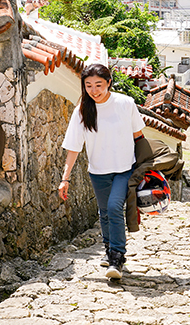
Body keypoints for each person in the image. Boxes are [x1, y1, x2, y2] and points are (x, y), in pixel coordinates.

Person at [59, 63, 145, 279]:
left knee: (115, 207)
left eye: (98, 84)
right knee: (105, 212)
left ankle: (117, 257)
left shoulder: (125, 103)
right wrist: (65, 178)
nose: (94, 90)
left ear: (109, 82)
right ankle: (109, 249)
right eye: (88, 85)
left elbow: (139, 136)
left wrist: (146, 167)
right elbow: (73, 147)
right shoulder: (82, 111)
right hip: (98, 171)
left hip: (125, 169)